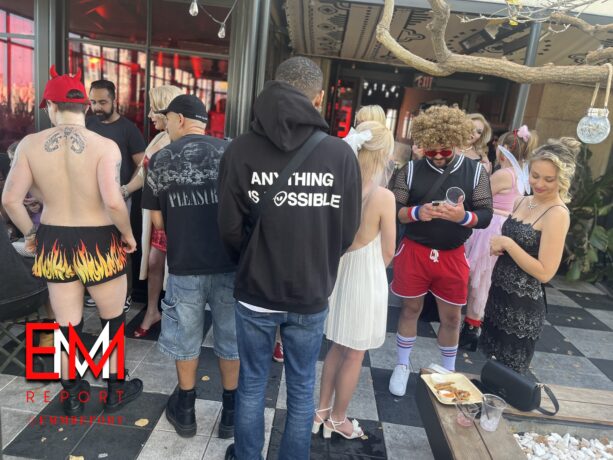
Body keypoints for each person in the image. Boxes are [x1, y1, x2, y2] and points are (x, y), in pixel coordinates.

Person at [218, 56, 361, 460]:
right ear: (318, 98)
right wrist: (318, 259)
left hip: (255, 290)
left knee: (251, 384)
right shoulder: (339, 154)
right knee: (301, 387)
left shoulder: (241, 149)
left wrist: (250, 260)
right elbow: (346, 230)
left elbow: (228, 226)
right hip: (310, 292)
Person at [1, 67, 143, 415]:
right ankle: (115, 391)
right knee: (111, 319)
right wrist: (127, 235)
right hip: (99, 241)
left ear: (51, 106)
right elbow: (113, 202)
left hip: (54, 239)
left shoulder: (30, 145)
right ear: (85, 106)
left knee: (66, 323)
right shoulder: (105, 146)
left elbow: (10, 200)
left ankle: (73, 393)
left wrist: (32, 234)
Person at [141, 94, 239, 439]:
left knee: (186, 339)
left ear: (180, 119)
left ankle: (185, 411)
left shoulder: (160, 158)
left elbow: (158, 221)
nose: (165, 125)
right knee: (231, 338)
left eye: (167, 119)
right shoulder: (232, 152)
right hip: (229, 264)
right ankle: (231, 413)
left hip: (185, 265)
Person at [388, 105, 493, 397]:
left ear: (457, 142)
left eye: (444, 151)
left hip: (452, 254)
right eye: (430, 150)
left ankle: (448, 371)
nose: (436, 156)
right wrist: (417, 212)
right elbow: (394, 208)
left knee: (452, 317)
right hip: (415, 251)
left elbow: (486, 214)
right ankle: (402, 364)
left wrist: (462, 217)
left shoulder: (475, 172)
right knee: (410, 309)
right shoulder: (410, 170)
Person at [314, 121, 396, 440]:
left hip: (339, 270)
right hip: (367, 274)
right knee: (355, 353)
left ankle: (320, 412)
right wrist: (374, 271)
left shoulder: (337, 185)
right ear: (383, 154)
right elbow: (388, 250)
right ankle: (337, 419)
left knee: (337, 346)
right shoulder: (383, 196)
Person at [480, 138, 579, 374]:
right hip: (499, 294)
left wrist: (508, 243)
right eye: (535, 175)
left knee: (508, 377)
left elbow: (545, 273)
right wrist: (500, 247)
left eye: (549, 179)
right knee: (490, 367)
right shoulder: (521, 201)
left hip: (522, 309)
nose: (539, 184)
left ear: (562, 179)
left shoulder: (557, 213)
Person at [460, 126, 537, 350]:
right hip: (507, 226)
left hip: (491, 227)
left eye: (498, 146)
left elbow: (479, 199)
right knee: (487, 277)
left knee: (479, 277)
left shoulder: (504, 174)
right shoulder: (522, 174)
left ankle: (471, 327)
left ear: (505, 150)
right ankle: (478, 323)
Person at [120, 85, 183, 338]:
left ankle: (175, 317)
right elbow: (143, 174)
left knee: (175, 268)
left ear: (166, 111)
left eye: (153, 109)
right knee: (155, 263)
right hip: (157, 215)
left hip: (174, 216)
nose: (148, 115)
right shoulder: (158, 139)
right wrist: (124, 190)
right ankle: (153, 311)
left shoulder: (179, 141)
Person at [87, 79, 147, 311]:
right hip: (91, 196)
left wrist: (126, 189)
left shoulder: (127, 129)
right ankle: (97, 292)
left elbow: (143, 165)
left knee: (122, 246)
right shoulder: (87, 124)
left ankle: (125, 296)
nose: (97, 107)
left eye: (102, 102)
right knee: (93, 245)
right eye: (93, 102)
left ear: (114, 101)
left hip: (119, 197)